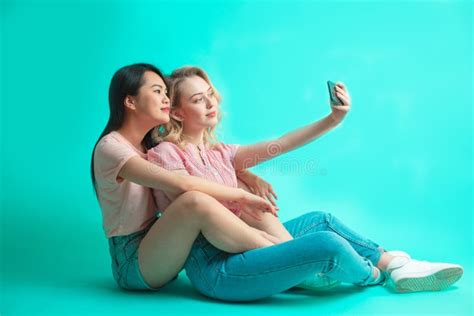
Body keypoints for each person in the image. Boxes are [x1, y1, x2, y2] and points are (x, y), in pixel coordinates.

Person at [146, 66, 464, 301]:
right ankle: (376, 276)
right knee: (326, 243)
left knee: (320, 220)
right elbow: (192, 197)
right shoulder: (164, 155)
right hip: (219, 268)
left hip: (255, 244)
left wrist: (334, 119)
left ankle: (395, 263)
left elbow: (281, 144)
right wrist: (242, 190)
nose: (210, 103)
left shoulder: (222, 153)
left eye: (211, 96)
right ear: (175, 112)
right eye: (198, 100)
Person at [91, 63, 283, 291]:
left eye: (165, 92)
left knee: (206, 194)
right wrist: (241, 195)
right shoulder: (111, 148)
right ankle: (279, 253)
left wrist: (246, 175)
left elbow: (213, 162)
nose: (166, 99)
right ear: (130, 101)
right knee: (194, 200)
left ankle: (277, 248)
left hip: (161, 242)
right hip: (133, 262)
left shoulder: (148, 145)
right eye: (156, 91)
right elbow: (183, 183)